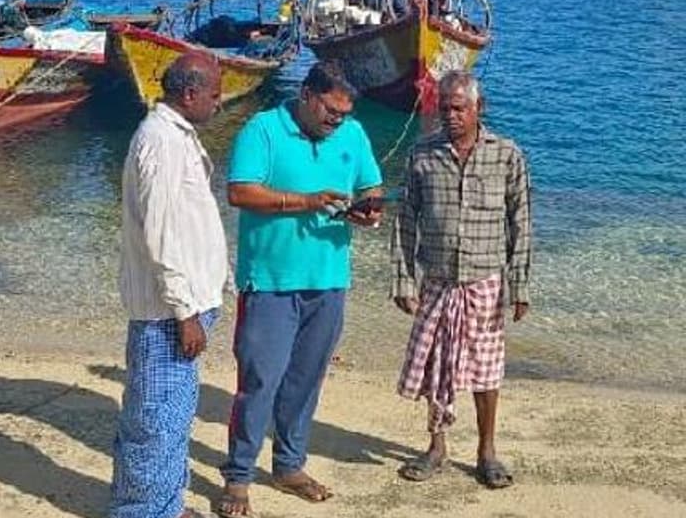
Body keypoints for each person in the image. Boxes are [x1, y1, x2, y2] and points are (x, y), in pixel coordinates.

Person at [215, 61, 384, 517]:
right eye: (331, 110)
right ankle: (238, 476)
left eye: (344, 114)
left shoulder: (352, 134)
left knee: (306, 379)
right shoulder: (263, 129)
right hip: (269, 282)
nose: (337, 121)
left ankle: (289, 465)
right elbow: (239, 192)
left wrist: (369, 209)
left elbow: (371, 184)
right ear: (307, 94)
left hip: (329, 280)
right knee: (259, 380)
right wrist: (305, 202)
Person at [390, 71, 532, 490]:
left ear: (478, 108)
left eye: (459, 108)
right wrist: (403, 280)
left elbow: (521, 222)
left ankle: (487, 451)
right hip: (437, 279)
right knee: (437, 365)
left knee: (487, 371)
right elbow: (405, 220)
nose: (450, 116)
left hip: (485, 281)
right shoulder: (422, 154)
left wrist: (520, 286)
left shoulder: (506, 155)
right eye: (444, 108)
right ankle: (436, 447)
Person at [111, 52, 229, 518]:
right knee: (155, 420)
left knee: (172, 414)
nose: (220, 102)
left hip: (181, 306)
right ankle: (145, 511)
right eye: (215, 94)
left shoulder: (176, 135)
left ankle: (165, 505)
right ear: (190, 94)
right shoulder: (160, 141)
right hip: (168, 313)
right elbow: (160, 234)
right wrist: (185, 311)